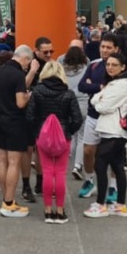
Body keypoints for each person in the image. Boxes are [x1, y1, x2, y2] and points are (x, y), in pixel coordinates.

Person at [27, 59, 81, 222]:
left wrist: (38, 132)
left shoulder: (37, 92)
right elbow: (77, 119)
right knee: (60, 173)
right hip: (63, 137)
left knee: (47, 172)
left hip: (43, 137)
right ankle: (60, 210)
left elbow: (29, 116)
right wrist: (68, 131)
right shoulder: (69, 93)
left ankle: (48, 210)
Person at [86, 53, 127, 219]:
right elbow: (96, 100)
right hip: (114, 130)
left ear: (123, 67)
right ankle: (120, 205)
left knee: (100, 165)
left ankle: (101, 204)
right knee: (117, 166)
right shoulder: (115, 83)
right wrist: (99, 98)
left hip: (114, 131)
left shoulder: (121, 85)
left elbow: (102, 106)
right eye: (108, 64)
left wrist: (99, 98)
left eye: (114, 65)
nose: (110, 67)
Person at [0, 46, 32, 216]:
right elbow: (20, 103)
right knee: (14, 162)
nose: (27, 65)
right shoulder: (18, 75)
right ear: (25, 58)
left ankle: (5, 198)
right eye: (28, 62)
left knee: (2, 160)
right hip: (15, 121)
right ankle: (9, 203)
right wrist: (28, 96)